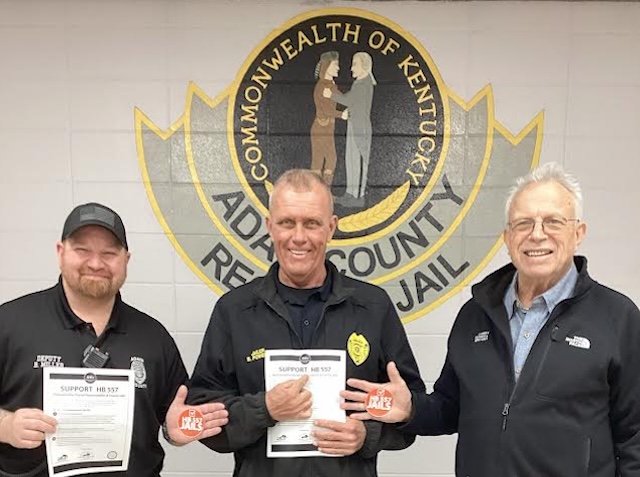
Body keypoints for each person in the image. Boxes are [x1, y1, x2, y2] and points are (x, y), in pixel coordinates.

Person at [341, 162, 640, 477]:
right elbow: (450, 408)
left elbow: (635, 435)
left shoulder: (617, 318)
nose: (537, 234)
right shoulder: (476, 314)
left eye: (553, 222)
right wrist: (411, 409)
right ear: (507, 238)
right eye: (523, 223)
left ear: (578, 233)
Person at [187, 169, 425, 477]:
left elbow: (411, 411)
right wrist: (264, 410)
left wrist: (368, 435)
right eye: (287, 222)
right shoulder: (234, 311)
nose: (299, 237)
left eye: (312, 223)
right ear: (270, 226)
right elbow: (205, 419)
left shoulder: (372, 308)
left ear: (331, 228)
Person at [0, 202, 229, 477]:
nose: (96, 264)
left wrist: (175, 431)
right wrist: (7, 426)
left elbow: (174, 419)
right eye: (82, 250)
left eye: (109, 253)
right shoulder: (10, 323)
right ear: (61, 252)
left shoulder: (153, 337)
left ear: (126, 260)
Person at [323, 52, 376, 208]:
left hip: (361, 129)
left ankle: (358, 197)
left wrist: (331, 95)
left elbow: (348, 99)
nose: (351, 68)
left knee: (359, 161)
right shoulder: (359, 82)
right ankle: (350, 194)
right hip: (353, 125)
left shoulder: (364, 83)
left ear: (364, 66)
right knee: (351, 160)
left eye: (355, 64)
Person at [310, 51, 347, 187]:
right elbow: (326, 110)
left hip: (327, 127)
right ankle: (320, 191)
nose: (338, 68)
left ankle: (322, 191)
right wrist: (341, 115)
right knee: (325, 159)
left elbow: (343, 99)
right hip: (321, 127)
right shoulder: (322, 86)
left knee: (324, 159)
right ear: (327, 66)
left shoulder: (331, 85)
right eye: (335, 65)